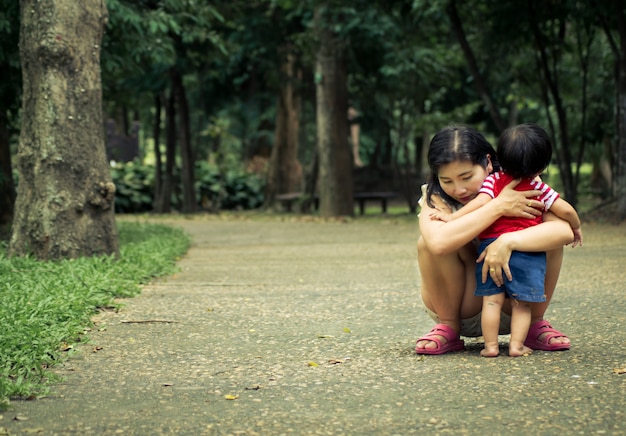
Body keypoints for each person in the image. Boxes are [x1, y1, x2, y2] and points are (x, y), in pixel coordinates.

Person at [415, 125, 575, 355]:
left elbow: (564, 232)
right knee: (427, 244)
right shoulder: (435, 197)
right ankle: (447, 326)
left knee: (546, 237)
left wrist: (506, 242)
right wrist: (498, 206)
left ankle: (535, 323)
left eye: (466, 177)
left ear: (488, 163)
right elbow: (438, 243)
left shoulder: (519, 182)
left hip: (518, 303)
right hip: (465, 306)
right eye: (446, 180)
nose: (458, 189)